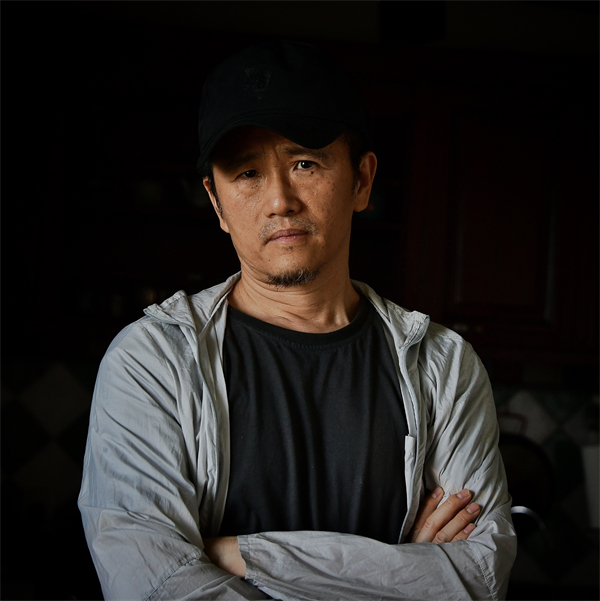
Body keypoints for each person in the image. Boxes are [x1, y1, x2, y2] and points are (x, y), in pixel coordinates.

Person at [78, 39, 516, 600]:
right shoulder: (151, 364)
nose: (279, 200)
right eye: (247, 173)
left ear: (361, 181)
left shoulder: (443, 367)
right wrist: (404, 571)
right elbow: (155, 587)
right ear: (216, 203)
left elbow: (477, 579)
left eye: (305, 163)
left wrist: (236, 553)